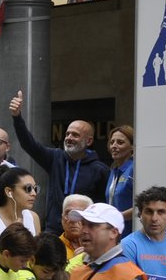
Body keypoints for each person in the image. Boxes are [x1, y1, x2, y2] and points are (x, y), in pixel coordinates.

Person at [7, 91, 110, 233]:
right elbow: (28, 144)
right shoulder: (55, 158)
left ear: (89, 141)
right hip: (53, 230)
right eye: (67, 133)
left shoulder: (100, 170)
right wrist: (17, 117)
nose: (69, 137)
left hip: (83, 231)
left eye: (75, 135)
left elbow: (103, 205)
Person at [0, 165, 42, 256]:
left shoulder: (33, 217)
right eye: (28, 189)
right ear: (9, 192)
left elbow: (37, 258)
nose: (34, 193)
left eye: (35, 189)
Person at [105, 126, 135, 227]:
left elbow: (143, 205)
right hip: (114, 231)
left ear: (132, 146)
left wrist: (118, 217)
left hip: (130, 232)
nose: (114, 146)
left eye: (120, 142)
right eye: (112, 142)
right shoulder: (114, 170)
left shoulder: (134, 169)